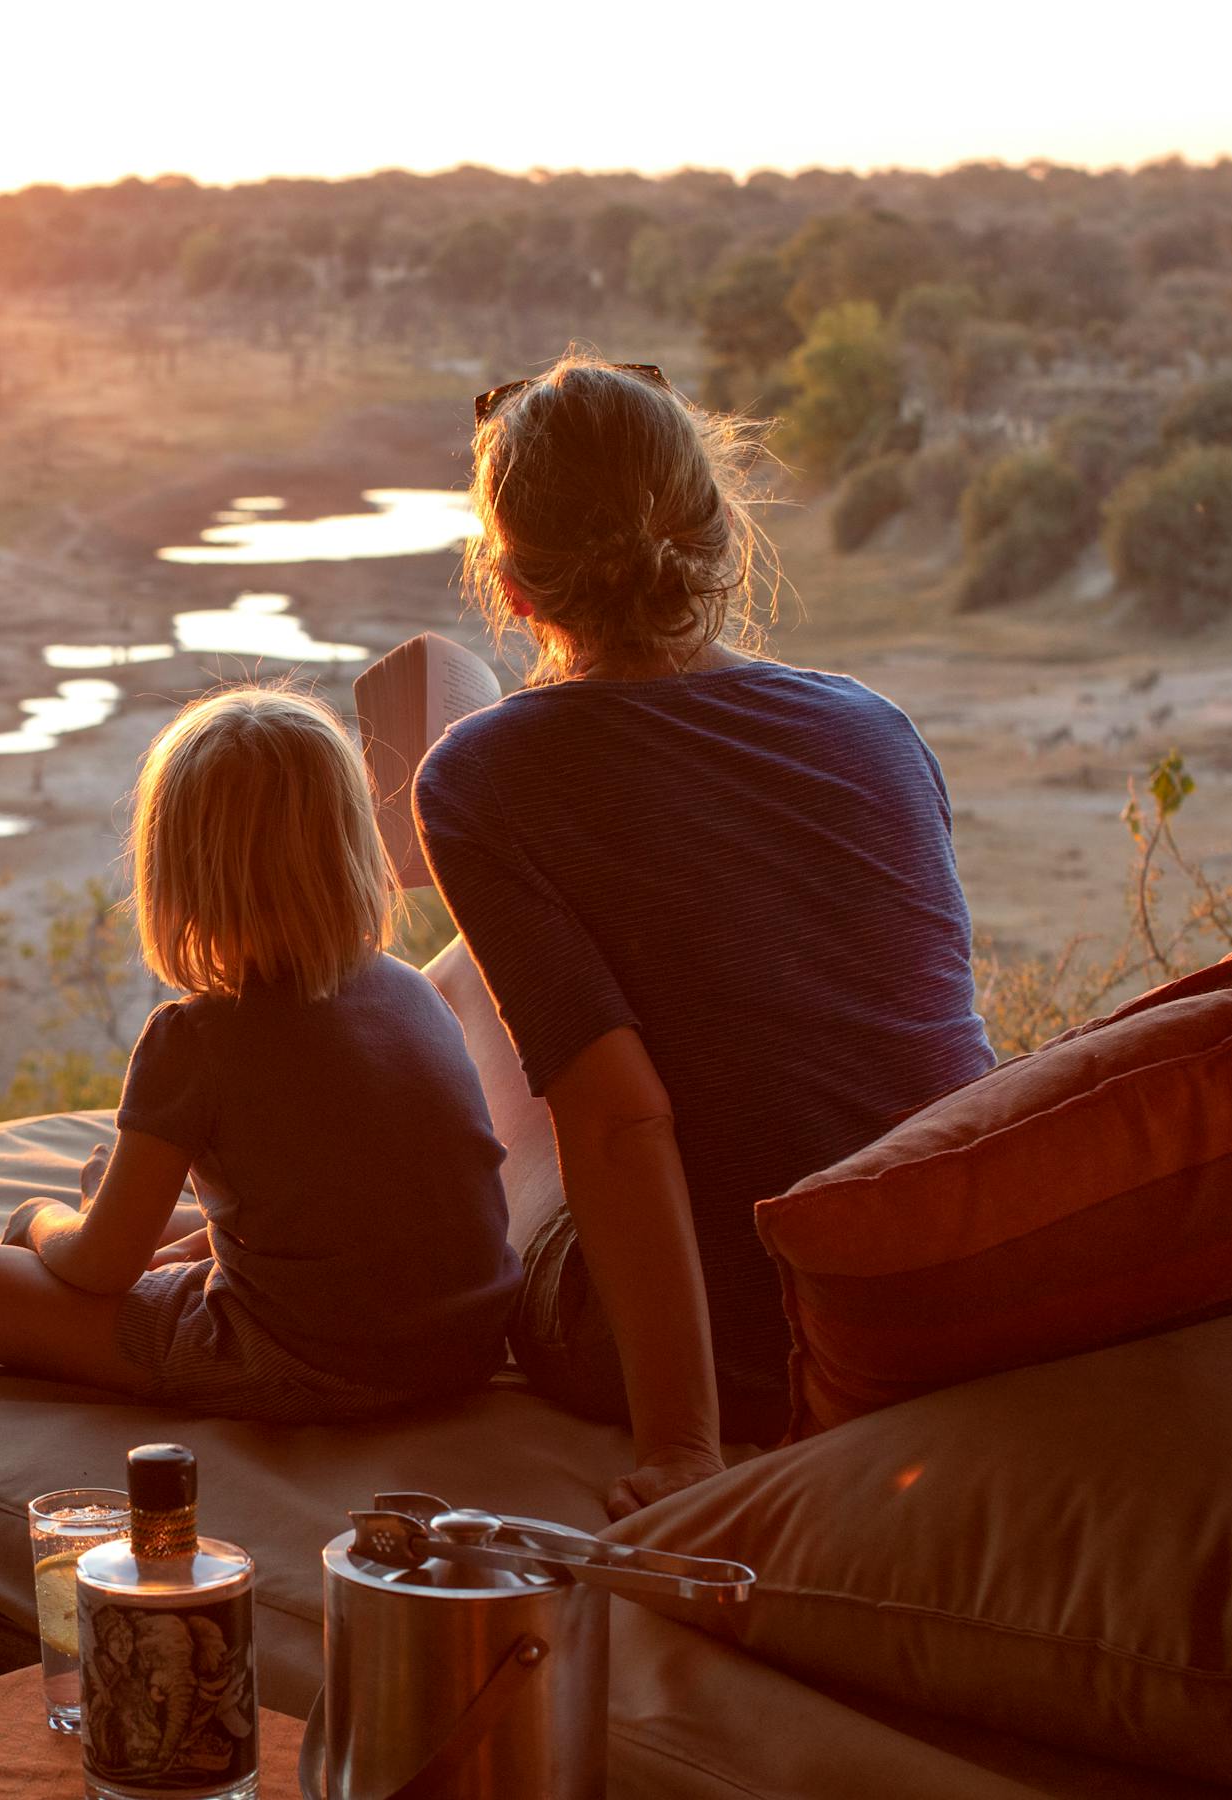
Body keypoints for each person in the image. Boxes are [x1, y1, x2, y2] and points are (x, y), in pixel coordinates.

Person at [414, 352, 995, 1518]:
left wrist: (688, 1444)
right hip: (948, 1285)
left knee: (468, 995)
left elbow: (622, 1118)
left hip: (742, 1347)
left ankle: (246, 1207)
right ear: (725, 536)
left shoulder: (481, 776)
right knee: (481, 975)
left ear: (514, 587)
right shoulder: (874, 727)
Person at [0, 687, 520, 1423]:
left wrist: (46, 1223)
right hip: (466, 1342)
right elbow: (356, 1203)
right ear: (352, 846)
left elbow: (102, 1267)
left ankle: (88, 1218)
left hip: (316, 1363)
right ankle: (135, 1222)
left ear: (176, 877)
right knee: (165, 1211)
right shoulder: (413, 991)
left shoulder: (195, 1038)